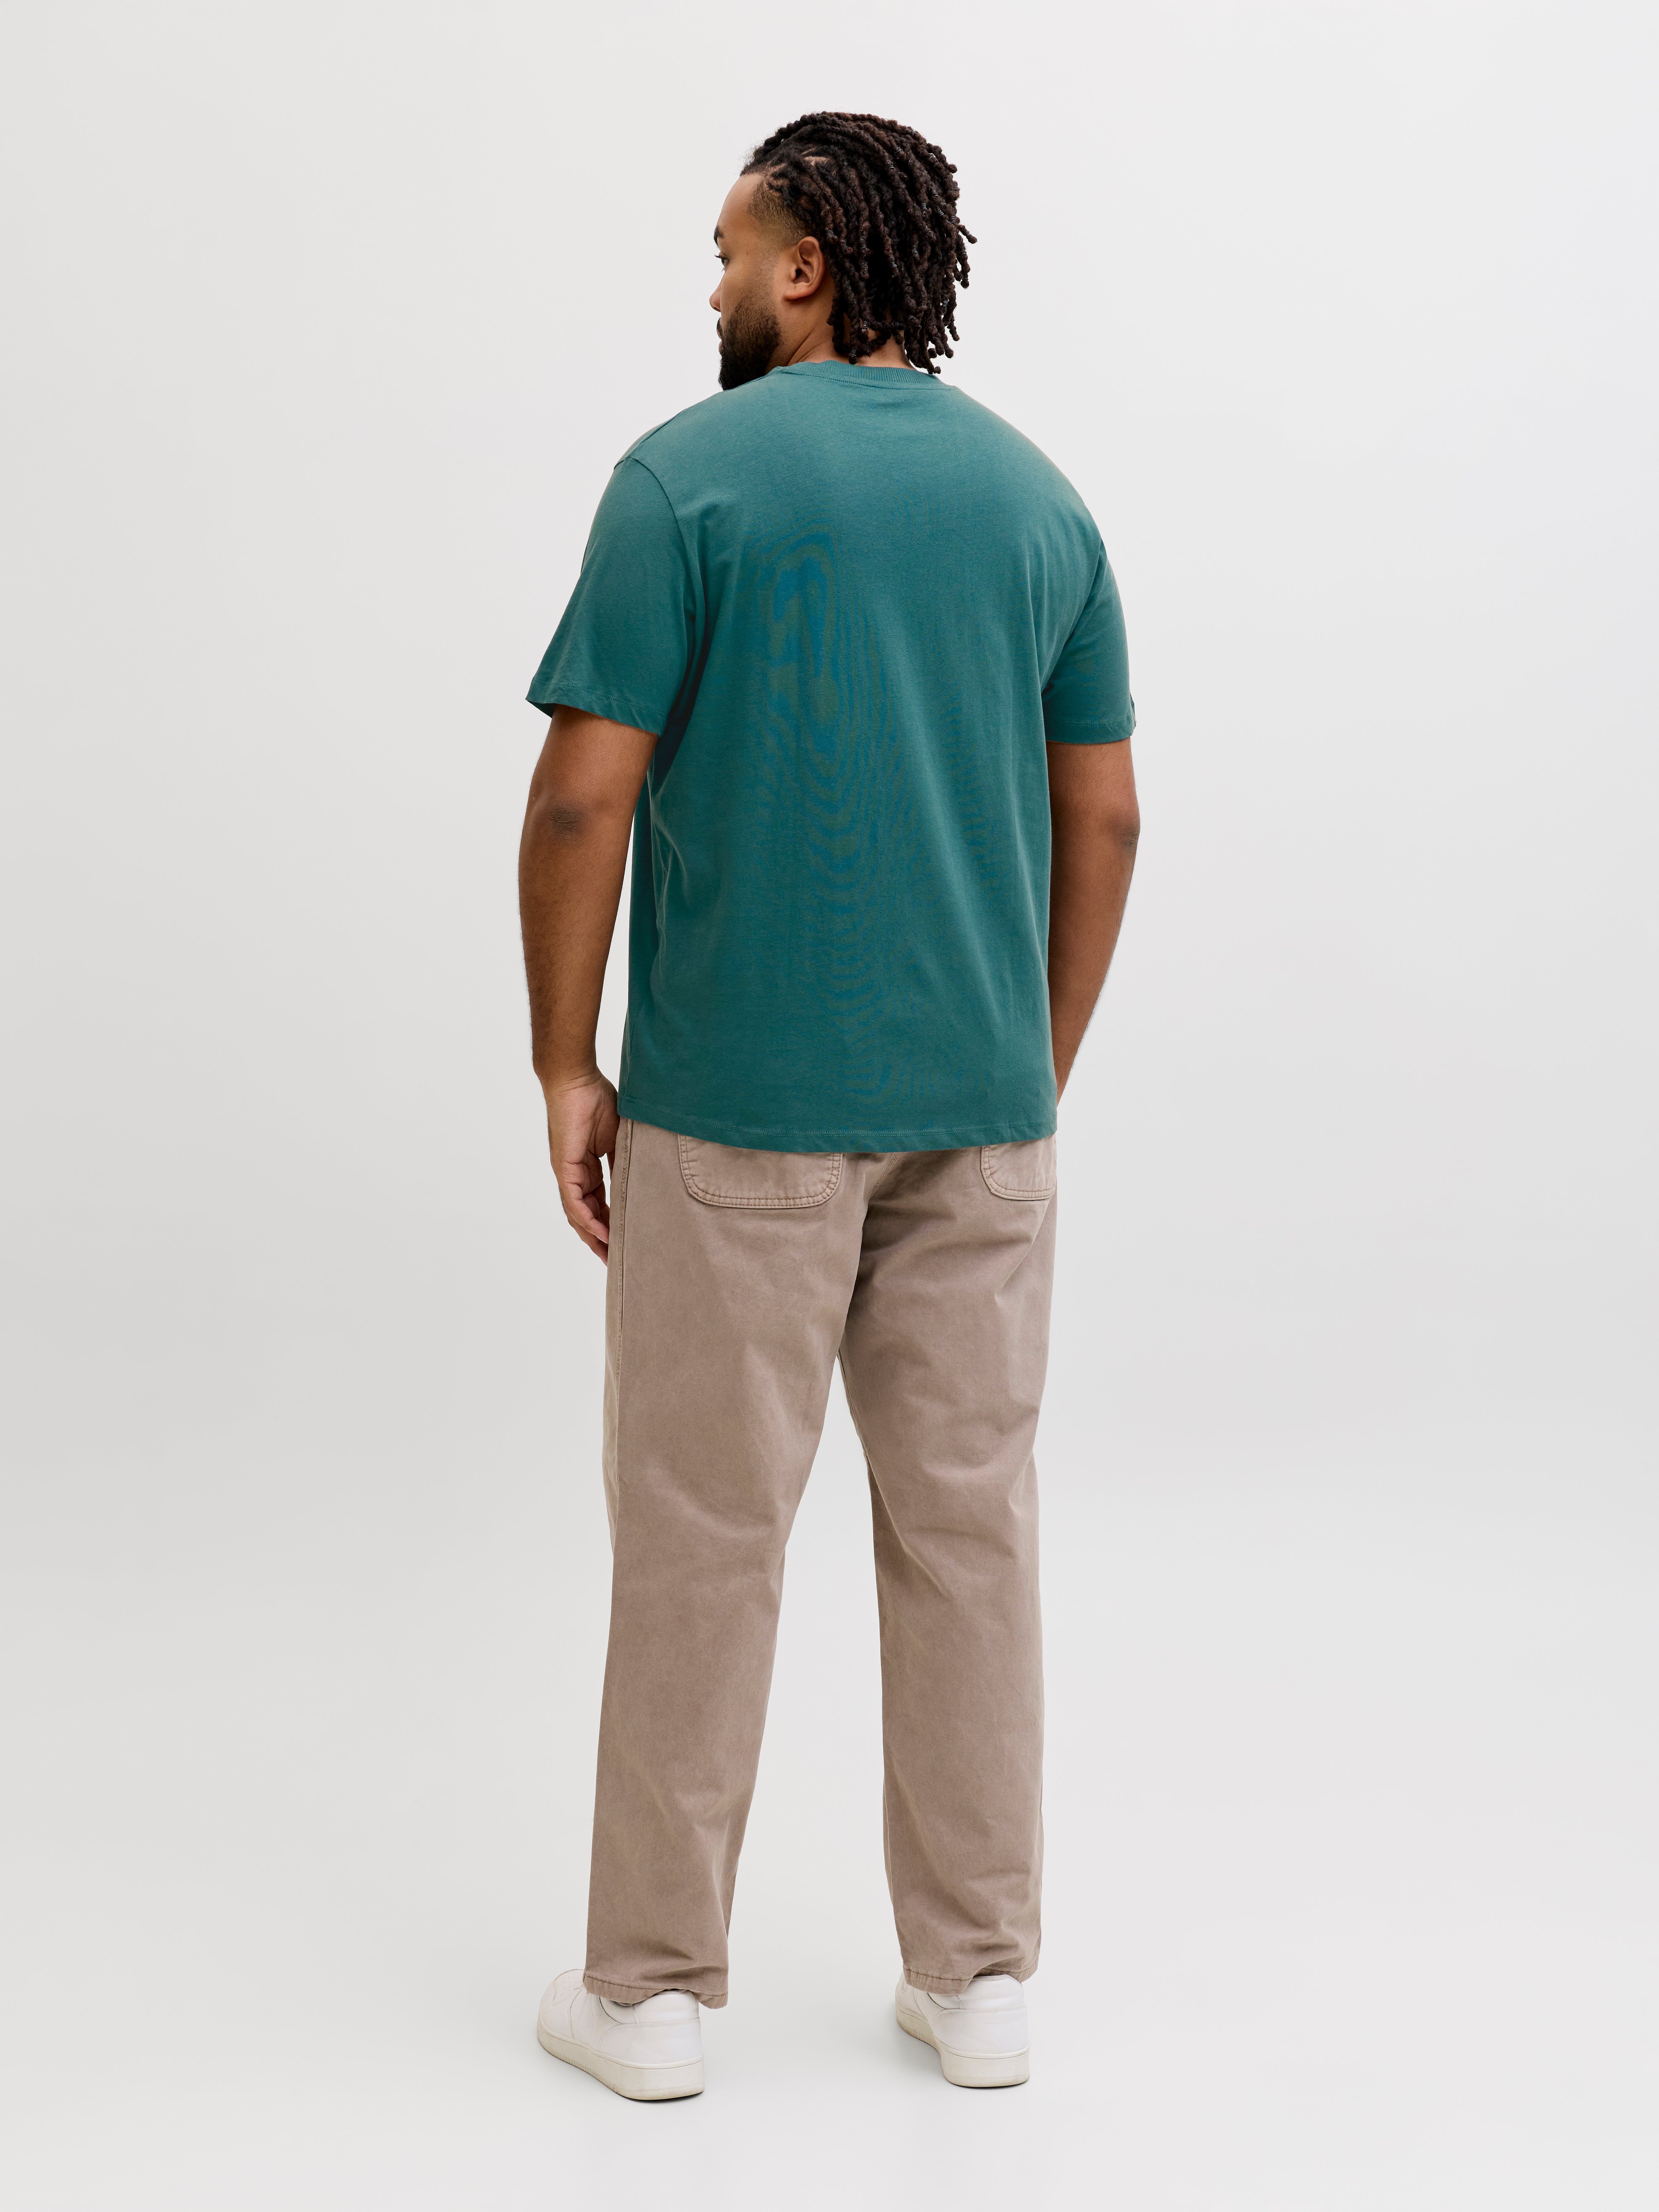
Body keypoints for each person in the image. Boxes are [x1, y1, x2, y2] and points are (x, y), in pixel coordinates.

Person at [518, 111, 1138, 2101]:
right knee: (969, 1534)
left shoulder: (683, 480)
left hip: (734, 1119)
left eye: (729, 250)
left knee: (702, 1537)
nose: (711, 285)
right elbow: (1106, 819)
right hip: (983, 1116)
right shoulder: (1040, 502)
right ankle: (980, 1980)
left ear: (806, 264)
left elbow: (581, 799)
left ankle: (647, 1996)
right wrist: (1026, 1061)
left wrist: (563, 1062)